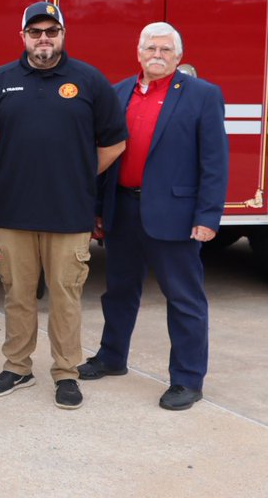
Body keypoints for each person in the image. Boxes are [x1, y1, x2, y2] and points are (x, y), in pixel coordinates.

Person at [0, 2, 127, 410]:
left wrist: (80, 173)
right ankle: (17, 366)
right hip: (14, 213)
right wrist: (10, 167)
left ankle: (66, 372)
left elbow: (114, 141)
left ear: (62, 35)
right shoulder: (1, 81)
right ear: (22, 36)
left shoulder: (89, 81)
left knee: (65, 296)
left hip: (69, 213)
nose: (44, 39)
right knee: (17, 295)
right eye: (35, 32)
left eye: (51, 31)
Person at [80, 23, 227, 411]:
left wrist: (208, 216)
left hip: (176, 215)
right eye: (150, 48)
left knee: (184, 299)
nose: (157, 54)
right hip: (124, 208)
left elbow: (214, 162)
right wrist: (98, 210)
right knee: (119, 291)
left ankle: (187, 379)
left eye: (165, 49)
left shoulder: (203, 95)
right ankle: (112, 357)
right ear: (139, 52)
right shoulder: (119, 92)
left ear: (178, 57)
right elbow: (107, 157)